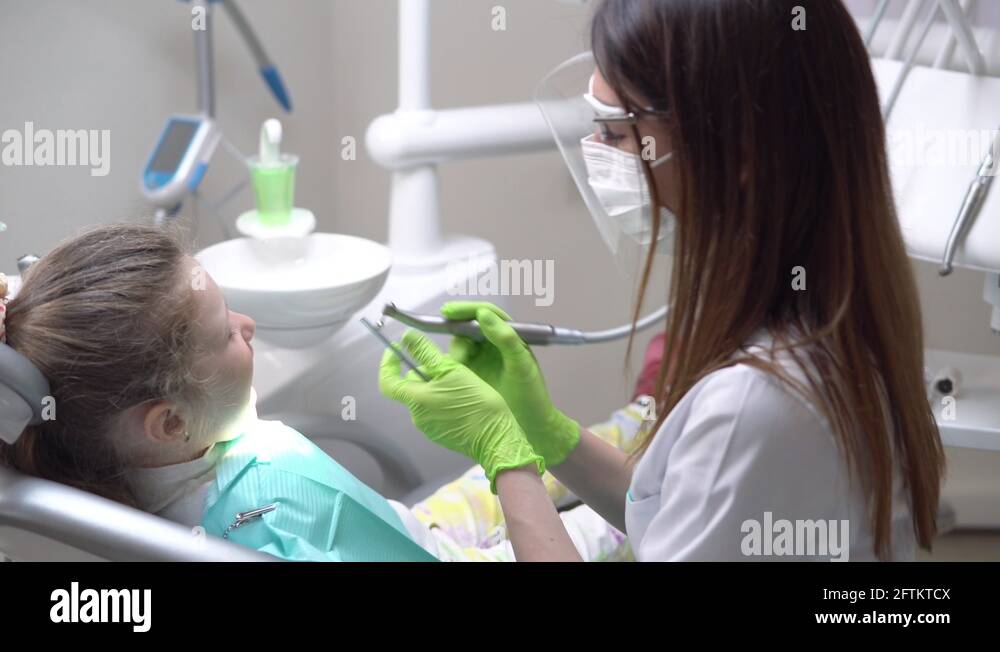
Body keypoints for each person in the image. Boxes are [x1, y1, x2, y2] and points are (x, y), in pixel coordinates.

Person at [379, 0, 945, 561]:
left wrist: (506, 458)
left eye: (616, 132)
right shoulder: (833, 316)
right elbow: (684, 513)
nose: (596, 154)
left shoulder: (758, 403)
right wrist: (545, 432)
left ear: (740, 148)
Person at [0, 223, 639, 561]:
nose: (248, 327)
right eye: (226, 334)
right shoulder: (261, 538)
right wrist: (510, 455)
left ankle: (646, 417)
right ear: (168, 423)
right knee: (649, 519)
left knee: (636, 436)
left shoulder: (121, 448)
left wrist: (537, 429)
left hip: (422, 534)